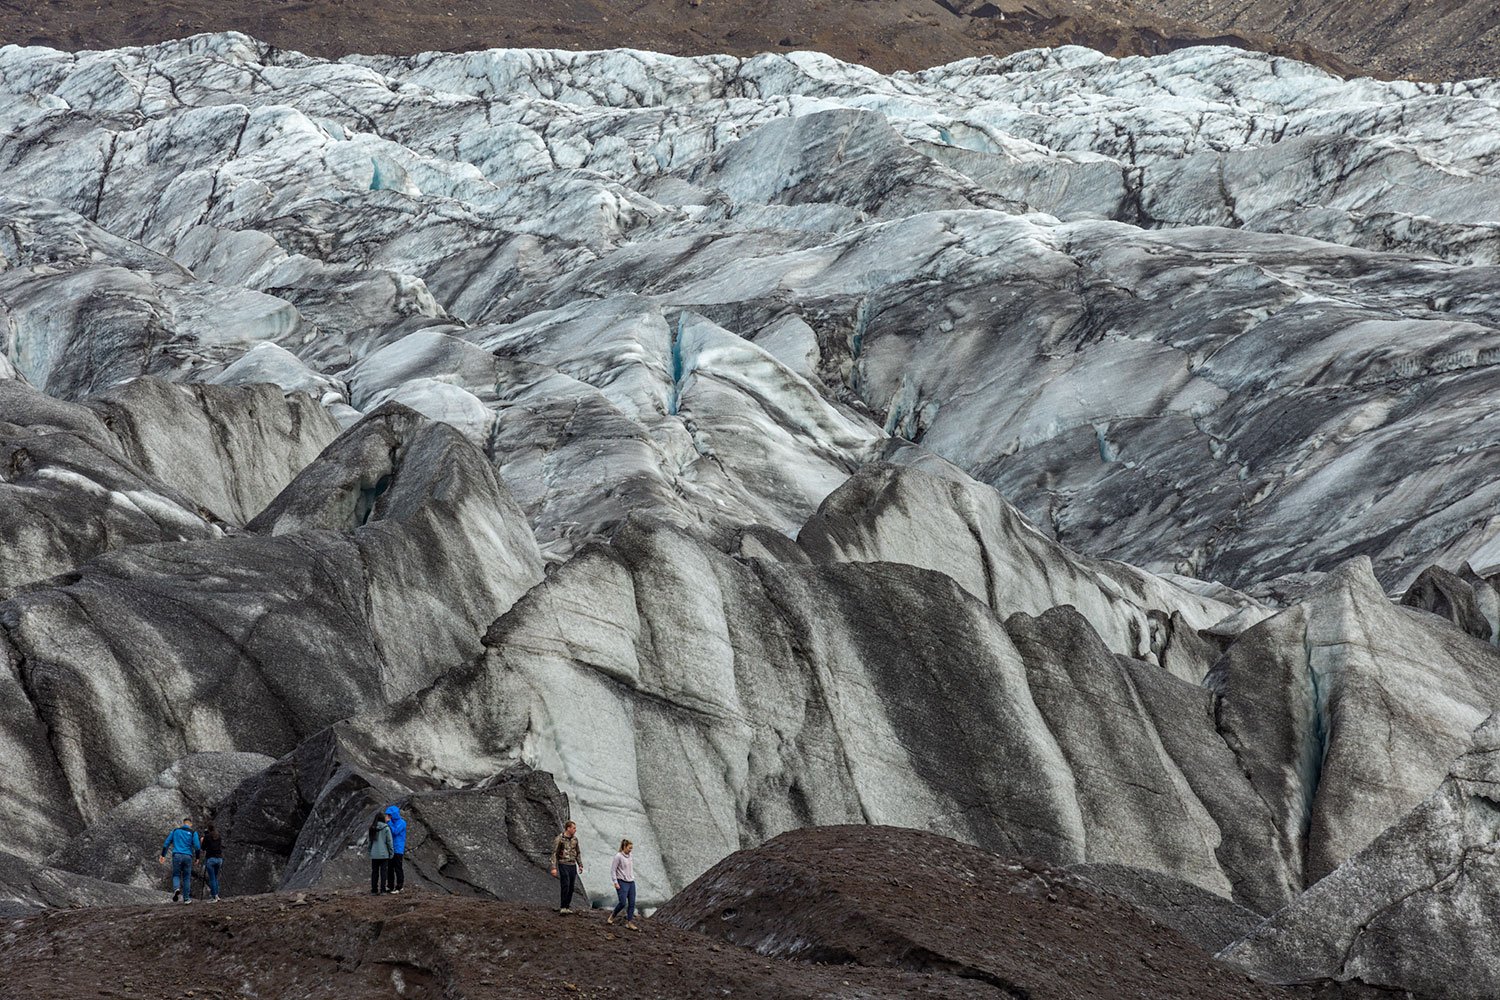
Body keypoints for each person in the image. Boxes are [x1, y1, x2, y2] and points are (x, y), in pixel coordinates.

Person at [158, 817, 201, 904]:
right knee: (186, 877)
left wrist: (163, 855)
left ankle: (176, 888)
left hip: (177, 855)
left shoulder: (175, 831)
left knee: (176, 874)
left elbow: (166, 844)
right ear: (190, 824)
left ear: (183, 823)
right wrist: (197, 857)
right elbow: (197, 846)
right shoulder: (193, 833)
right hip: (187, 856)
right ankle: (186, 899)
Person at [550, 820, 585, 914]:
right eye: (573, 828)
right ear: (568, 828)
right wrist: (553, 867)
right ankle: (563, 907)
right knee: (565, 884)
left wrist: (580, 864)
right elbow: (554, 853)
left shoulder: (575, 839)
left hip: (572, 865)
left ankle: (567, 906)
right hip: (563, 863)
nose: (575, 830)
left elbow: (577, 852)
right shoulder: (560, 839)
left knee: (571, 886)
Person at [608, 839, 639, 930]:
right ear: (624, 847)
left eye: (631, 848)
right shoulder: (618, 856)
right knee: (622, 902)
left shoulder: (630, 856)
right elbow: (613, 870)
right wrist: (615, 882)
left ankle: (629, 922)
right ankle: (613, 916)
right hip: (622, 881)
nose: (630, 850)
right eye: (629, 848)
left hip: (631, 882)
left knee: (632, 902)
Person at [368, 811, 394, 895]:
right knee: (383, 873)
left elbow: (370, 842)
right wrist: (391, 852)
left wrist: (369, 851)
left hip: (374, 854)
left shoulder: (372, 828)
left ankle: (374, 890)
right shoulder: (386, 828)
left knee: (374, 872)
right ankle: (383, 890)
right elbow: (389, 842)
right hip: (384, 854)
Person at [384, 805, 407, 894]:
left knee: (398, 868)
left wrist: (389, 823)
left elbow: (395, 832)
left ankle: (399, 886)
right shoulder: (391, 823)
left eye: (390, 814)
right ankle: (390, 885)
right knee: (390, 868)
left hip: (398, 848)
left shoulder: (402, 822)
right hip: (391, 848)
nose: (388, 816)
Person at [201, 822, 224, 902]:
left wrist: (202, 840)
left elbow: (203, 848)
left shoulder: (207, 837)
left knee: (212, 878)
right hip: (219, 859)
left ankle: (214, 897)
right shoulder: (219, 836)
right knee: (215, 877)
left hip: (211, 859)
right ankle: (217, 895)